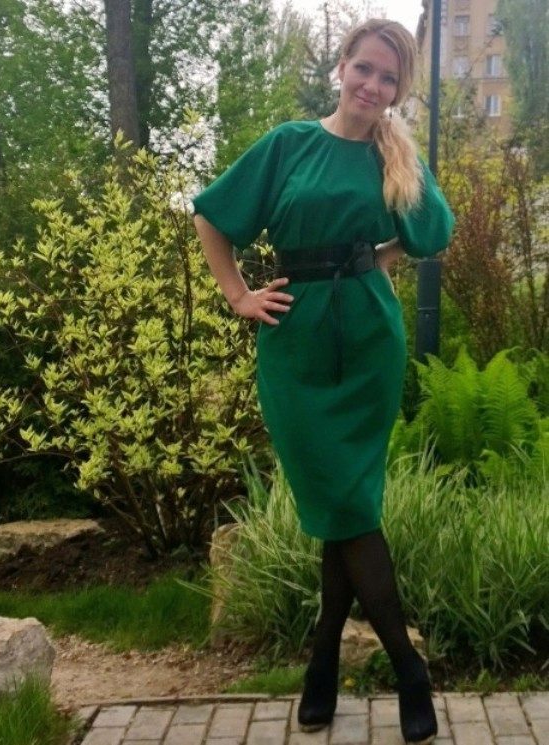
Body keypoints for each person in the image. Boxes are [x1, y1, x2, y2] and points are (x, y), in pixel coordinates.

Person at [192, 17, 454, 745]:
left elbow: (432, 234)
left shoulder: (391, 154)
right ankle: (387, 666)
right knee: (340, 505)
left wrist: (377, 251)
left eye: (389, 78)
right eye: (364, 68)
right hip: (295, 344)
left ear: (398, 89)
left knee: (349, 504)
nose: (373, 85)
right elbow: (213, 216)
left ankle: (344, 669)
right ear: (342, 66)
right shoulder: (289, 145)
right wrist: (238, 294)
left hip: (368, 342)